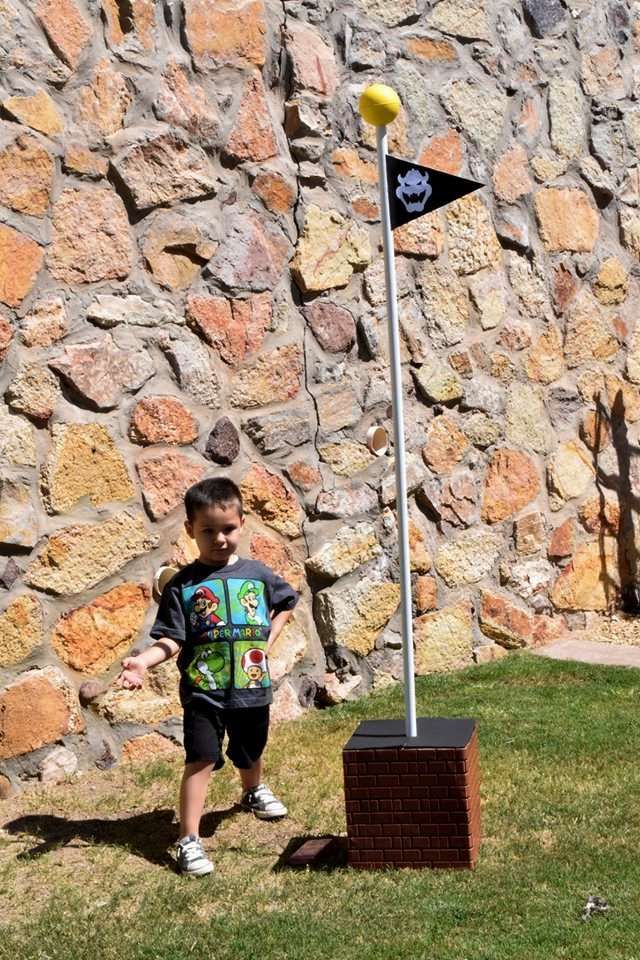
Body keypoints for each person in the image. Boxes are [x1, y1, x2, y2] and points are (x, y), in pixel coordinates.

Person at [116, 476, 298, 877]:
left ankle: (252, 791)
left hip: (251, 688)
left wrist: (268, 637)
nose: (219, 539)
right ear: (190, 531)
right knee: (201, 757)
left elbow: (287, 602)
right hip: (204, 691)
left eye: (228, 529)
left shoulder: (259, 574)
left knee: (251, 749)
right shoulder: (184, 586)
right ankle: (189, 840)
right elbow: (171, 640)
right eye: (208, 531)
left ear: (242, 523)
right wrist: (143, 662)